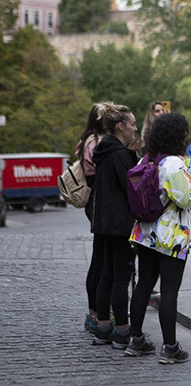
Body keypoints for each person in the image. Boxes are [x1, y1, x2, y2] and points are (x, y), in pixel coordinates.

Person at [127, 112, 191, 364]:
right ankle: (170, 347)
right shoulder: (174, 164)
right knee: (169, 291)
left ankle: (136, 339)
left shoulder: (147, 159)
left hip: (145, 233)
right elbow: (186, 199)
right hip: (171, 238)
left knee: (144, 284)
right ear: (176, 137)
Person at [91, 102, 139, 348]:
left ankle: (102, 327)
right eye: (132, 124)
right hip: (120, 223)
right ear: (121, 126)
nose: (135, 128)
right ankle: (121, 330)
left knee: (107, 273)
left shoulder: (104, 150)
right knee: (121, 276)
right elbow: (131, 189)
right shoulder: (120, 154)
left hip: (104, 222)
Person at [77, 104, 107, 334]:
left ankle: (93, 313)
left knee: (98, 257)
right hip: (100, 198)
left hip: (94, 200)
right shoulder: (98, 143)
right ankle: (97, 313)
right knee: (101, 259)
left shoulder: (86, 140)